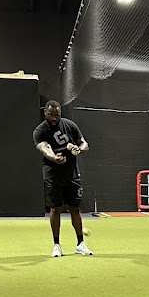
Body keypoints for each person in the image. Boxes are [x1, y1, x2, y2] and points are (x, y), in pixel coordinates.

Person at [33, 100, 93, 257]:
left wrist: (79, 149)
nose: (54, 118)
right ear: (45, 113)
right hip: (53, 174)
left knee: (75, 208)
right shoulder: (40, 131)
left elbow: (84, 143)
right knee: (55, 208)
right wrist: (54, 157)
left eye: (57, 115)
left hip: (71, 174)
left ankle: (80, 244)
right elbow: (44, 148)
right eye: (50, 115)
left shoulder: (70, 125)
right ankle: (56, 245)